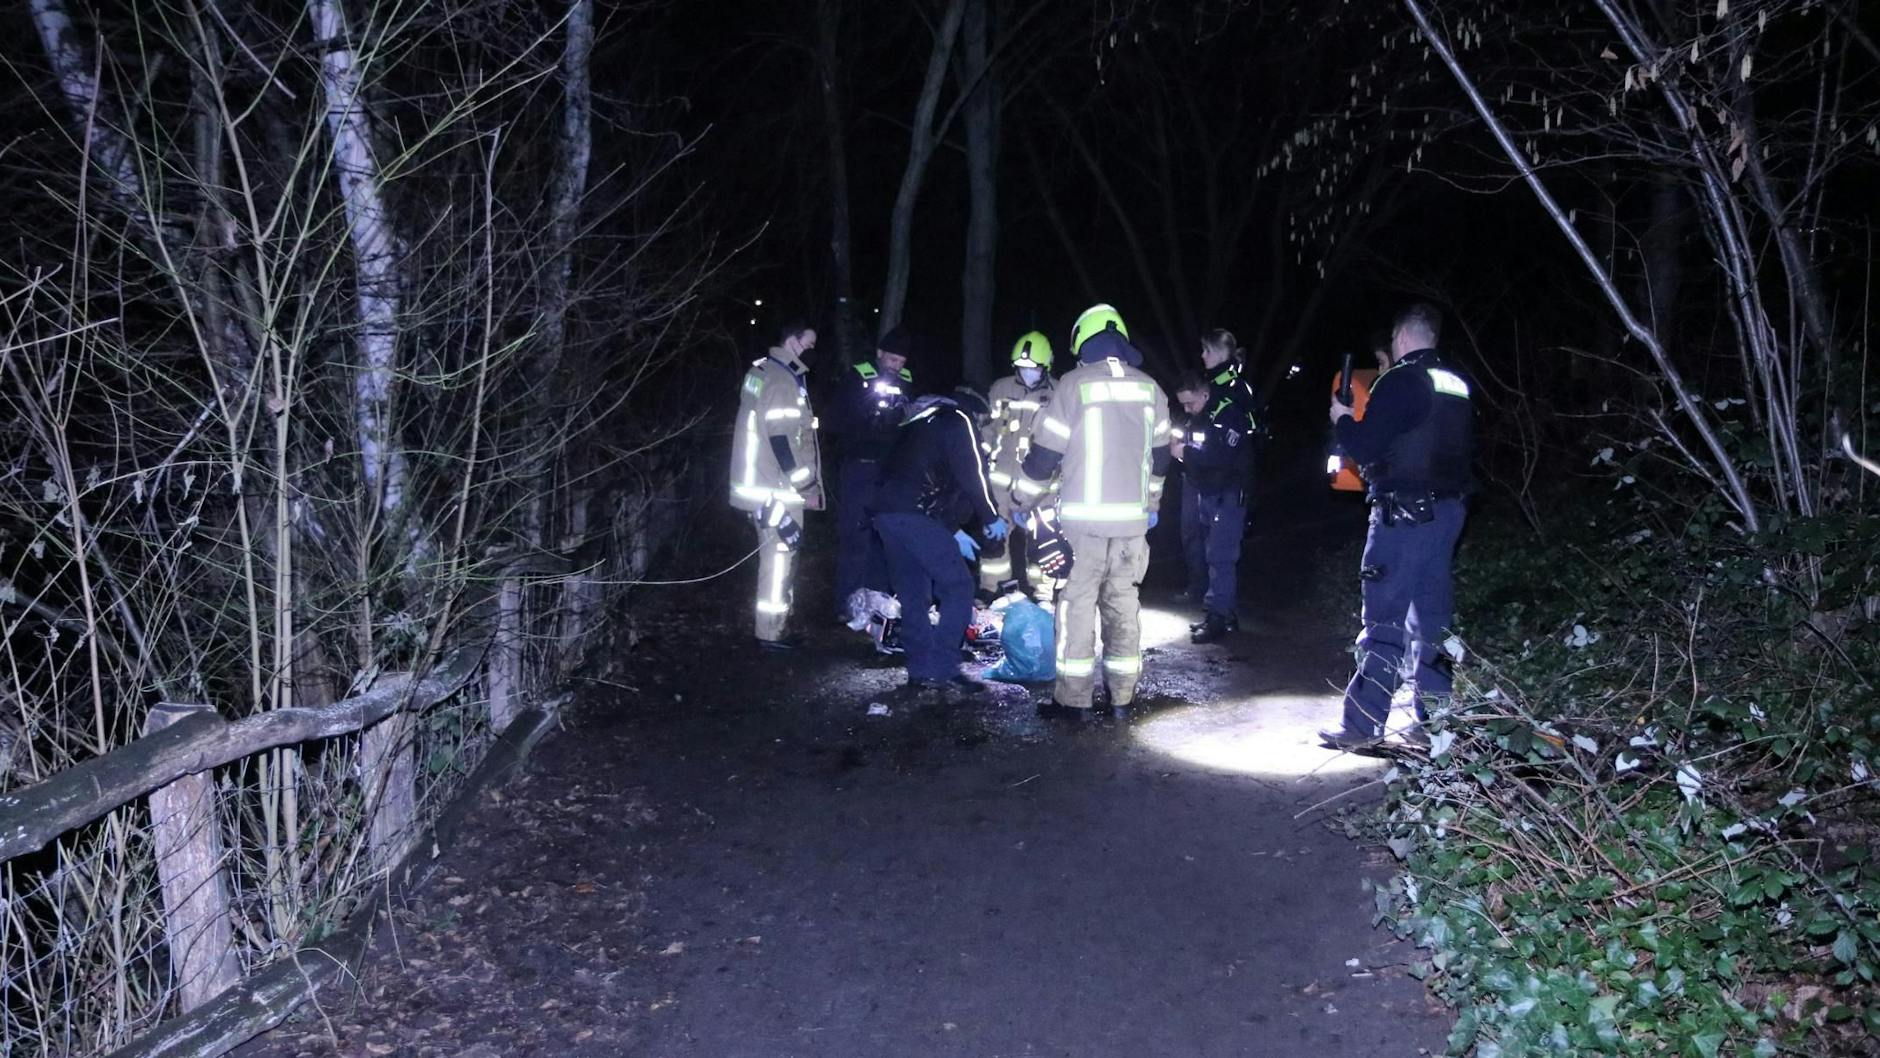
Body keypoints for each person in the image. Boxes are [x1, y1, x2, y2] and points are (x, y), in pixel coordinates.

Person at [1320, 303, 1474, 748]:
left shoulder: (1402, 379)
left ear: (1402, 338)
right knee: (1433, 625)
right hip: (1447, 516)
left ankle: (1362, 728)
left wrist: (1343, 420)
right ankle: (1435, 731)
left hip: (1402, 517)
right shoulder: (1457, 383)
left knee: (1383, 622)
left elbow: (1367, 446)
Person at [1018, 304, 1172, 718]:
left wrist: (1021, 500)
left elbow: (1043, 458)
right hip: (1132, 527)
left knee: (1076, 607)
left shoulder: (1072, 385)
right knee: (1123, 606)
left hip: (1082, 528)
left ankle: (1074, 702)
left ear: (1083, 343)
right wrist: (1152, 504)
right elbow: (1160, 462)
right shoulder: (1151, 388)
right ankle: (1122, 699)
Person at [870, 388, 1008, 697]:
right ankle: (944, 667)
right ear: (977, 413)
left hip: (886, 514)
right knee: (958, 587)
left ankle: (920, 670)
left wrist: (952, 530)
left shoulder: (917, 424)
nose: (984, 427)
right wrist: (991, 516)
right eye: (984, 420)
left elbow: (920, 477)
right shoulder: (958, 420)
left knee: (914, 591)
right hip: (915, 515)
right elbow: (973, 475)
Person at [728, 320, 824, 650]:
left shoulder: (762, 371)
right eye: (808, 344)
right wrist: (808, 486)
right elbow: (783, 441)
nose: (812, 351)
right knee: (779, 559)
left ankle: (776, 627)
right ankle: (771, 633)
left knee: (776, 558)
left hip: (761, 485)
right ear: (791, 341)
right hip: (777, 489)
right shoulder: (783, 380)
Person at [825, 328, 916, 623]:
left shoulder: (907, 382)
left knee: (885, 539)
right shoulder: (858, 377)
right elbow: (836, 421)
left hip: (890, 473)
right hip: (859, 467)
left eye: (901, 361)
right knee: (855, 537)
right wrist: (869, 422)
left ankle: (879, 607)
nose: (896, 365)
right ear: (879, 354)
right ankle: (847, 605)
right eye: (891, 358)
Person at [1171, 361, 1256, 644]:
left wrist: (1185, 453)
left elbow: (1221, 457)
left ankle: (1218, 618)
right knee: (1213, 555)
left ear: (1204, 394)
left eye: (1190, 403)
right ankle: (1221, 613)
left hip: (1227, 495)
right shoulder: (1201, 417)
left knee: (1221, 557)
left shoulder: (1228, 415)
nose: (1187, 409)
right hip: (1209, 494)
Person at [979, 330, 1059, 603]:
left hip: (1042, 487)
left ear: (1046, 367)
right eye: (1022, 368)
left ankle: (1044, 595)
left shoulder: (1059, 393)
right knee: (994, 542)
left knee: (1043, 542)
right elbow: (987, 431)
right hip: (1001, 483)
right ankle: (994, 591)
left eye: (1033, 368)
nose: (1027, 373)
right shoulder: (1000, 388)